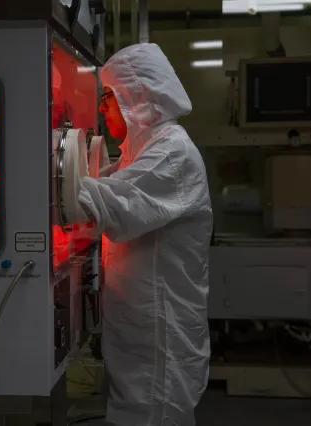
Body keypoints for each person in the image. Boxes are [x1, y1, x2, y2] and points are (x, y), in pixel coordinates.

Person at [75, 43, 213, 426]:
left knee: (151, 414)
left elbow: (113, 204)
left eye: (109, 97)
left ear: (136, 98)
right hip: (141, 328)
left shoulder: (171, 154)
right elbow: (109, 184)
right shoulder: (143, 150)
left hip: (158, 336)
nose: (103, 108)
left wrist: (38, 179)